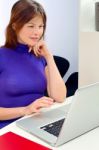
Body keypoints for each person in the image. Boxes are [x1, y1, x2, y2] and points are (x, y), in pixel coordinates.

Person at [0, 0, 66, 129]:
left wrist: (49, 57)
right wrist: (25, 110)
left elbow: (60, 97)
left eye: (40, 26)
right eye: (31, 26)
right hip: (9, 128)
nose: (37, 32)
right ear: (15, 26)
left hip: (37, 124)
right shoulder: (2, 55)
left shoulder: (40, 57)